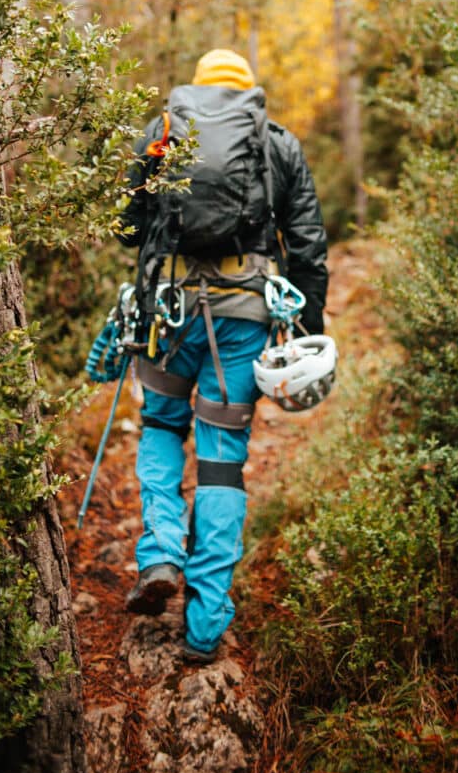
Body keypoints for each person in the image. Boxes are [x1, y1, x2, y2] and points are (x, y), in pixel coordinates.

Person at [119, 48, 328, 662]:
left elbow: (127, 230)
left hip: (170, 315)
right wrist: (306, 328)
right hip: (243, 323)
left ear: (197, 91)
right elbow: (308, 243)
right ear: (247, 93)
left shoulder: (161, 136)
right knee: (220, 461)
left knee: (160, 425)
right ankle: (205, 628)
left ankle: (158, 554)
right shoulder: (277, 143)